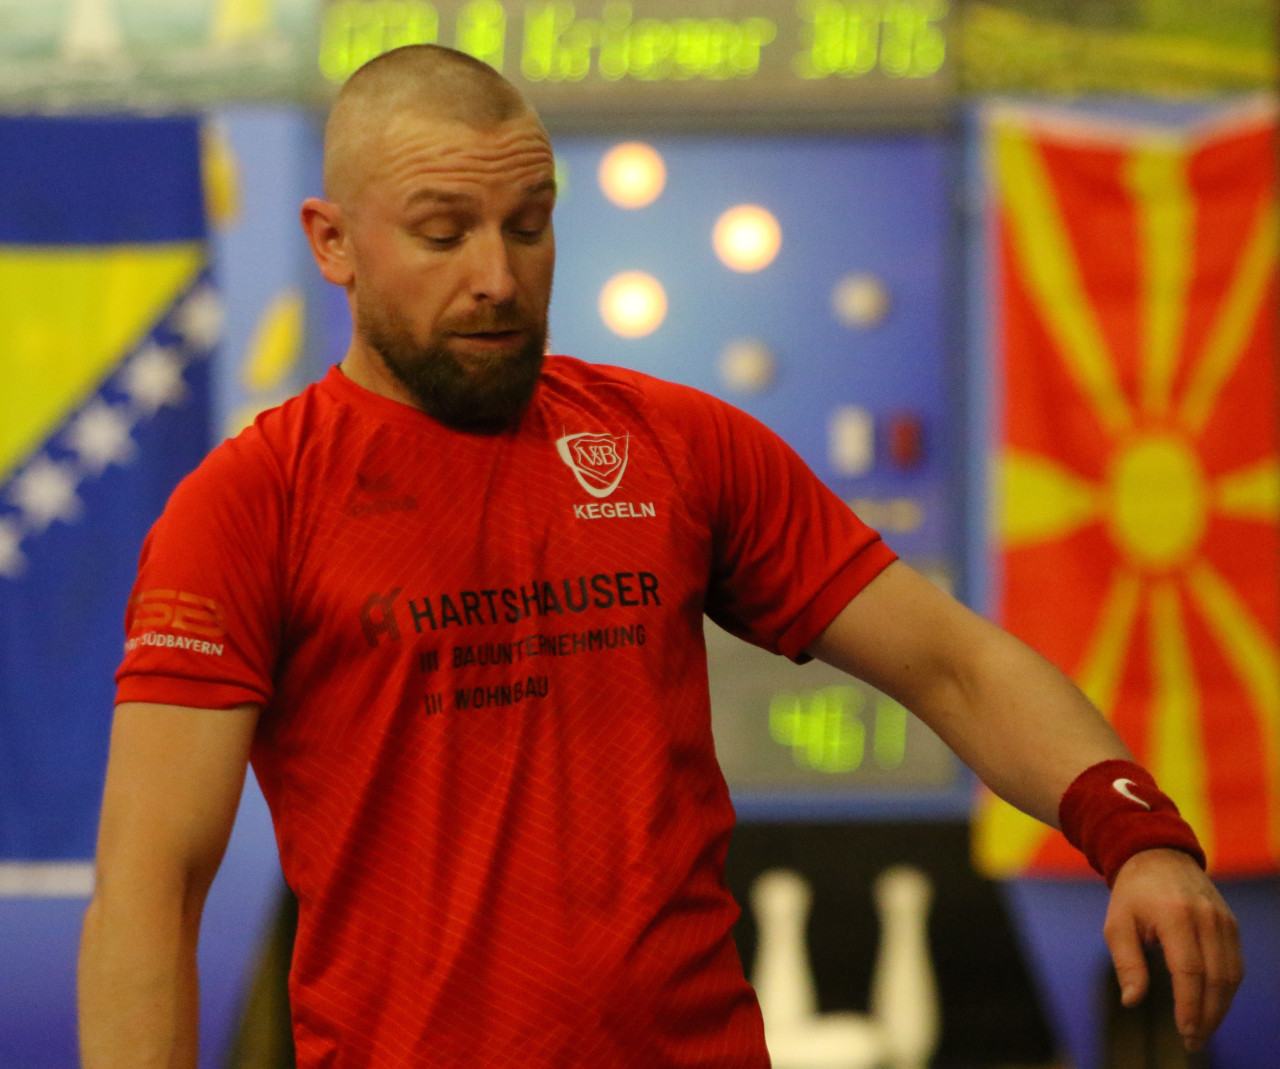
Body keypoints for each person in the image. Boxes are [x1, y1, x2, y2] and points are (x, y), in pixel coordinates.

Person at [78, 44, 1242, 1069]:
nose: (497, 276)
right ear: (330, 242)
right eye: (441, 233)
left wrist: (1134, 830)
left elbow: (952, 663)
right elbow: (150, 889)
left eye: (527, 223)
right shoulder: (249, 504)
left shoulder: (673, 445)